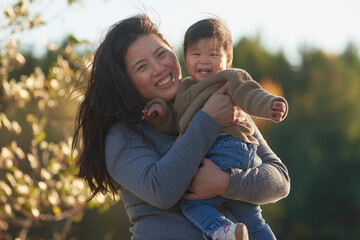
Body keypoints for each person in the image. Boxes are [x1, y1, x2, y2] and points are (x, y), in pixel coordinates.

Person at [72, 14, 290, 240]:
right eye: (142, 67)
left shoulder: (221, 101)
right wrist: (208, 119)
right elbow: (161, 190)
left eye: (161, 54)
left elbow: (280, 181)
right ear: (126, 81)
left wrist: (226, 182)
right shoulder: (123, 134)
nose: (158, 68)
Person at [142, 18, 288, 240]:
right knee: (252, 219)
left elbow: (249, 93)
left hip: (227, 146)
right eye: (197, 54)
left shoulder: (228, 78)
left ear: (228, 60)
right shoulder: (184, 90)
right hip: (236, 156)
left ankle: (222, 230)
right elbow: (176, 122)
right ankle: (242, 233)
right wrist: (159, 112)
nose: (204, 60)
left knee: (192, 204)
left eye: (213, 54)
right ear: (186, 58)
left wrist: (269, 105)